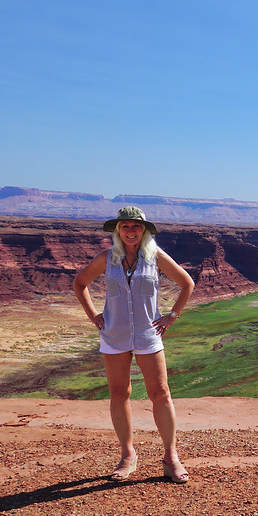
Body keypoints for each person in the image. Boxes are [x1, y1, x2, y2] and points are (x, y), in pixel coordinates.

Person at [73, 206, 195, 483]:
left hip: (147, 334)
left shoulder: (156, 258)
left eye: (136, 227)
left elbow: (187, 283)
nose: (131, 231)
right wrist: (93, 315)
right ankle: (128, 456)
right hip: (114, 335)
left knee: (161, 392)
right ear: (118, 230)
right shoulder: (107, 259)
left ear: (145, 230)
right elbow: (80, 283)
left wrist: (172, 316)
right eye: (125, 226)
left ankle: (170, 457)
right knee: (119, 393)